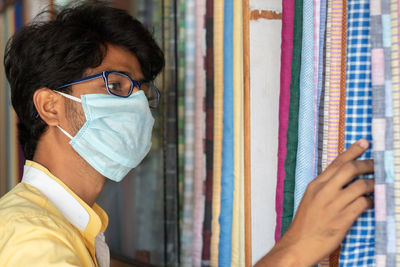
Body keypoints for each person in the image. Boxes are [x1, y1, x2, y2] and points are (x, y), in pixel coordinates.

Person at [0, 1, 374, 266]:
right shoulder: (34, 241)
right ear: (51, 106)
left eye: (142, 90)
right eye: (115, 85)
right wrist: (297, 248)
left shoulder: (68, 224)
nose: (137, 106)